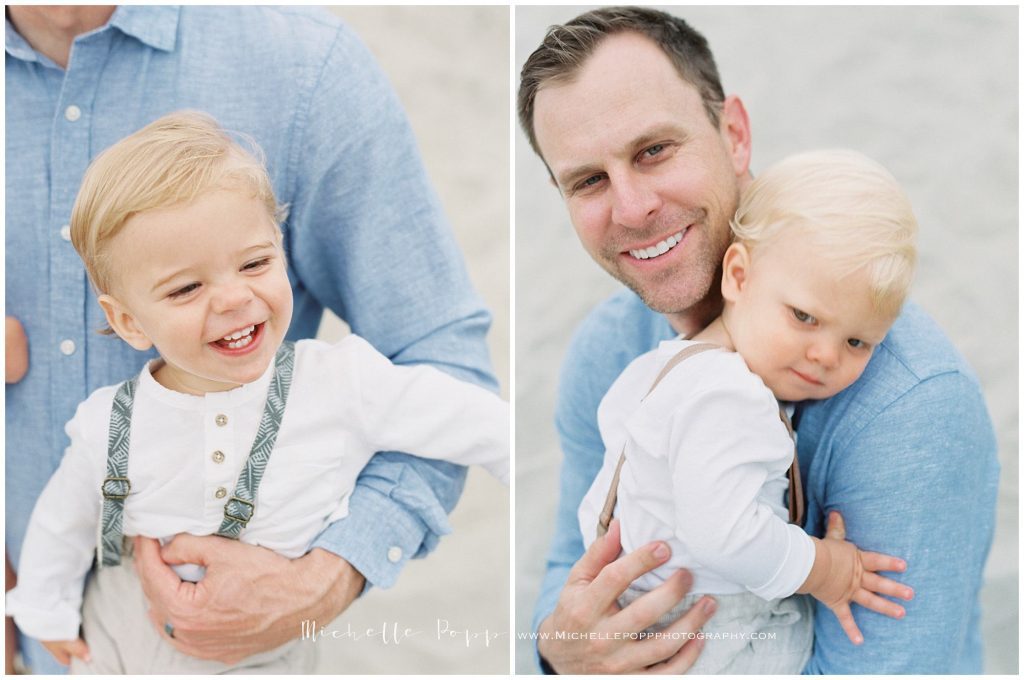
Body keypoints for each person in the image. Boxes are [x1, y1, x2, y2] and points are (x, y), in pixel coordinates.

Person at [6, 6, 497, 674]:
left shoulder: (307, 68)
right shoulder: (107, 427)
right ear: (126, 321)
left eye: (258, 264)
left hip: (267, 648)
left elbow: (450, 382)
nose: (233, 298)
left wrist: (331, 572)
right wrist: (41, 610)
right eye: (185, 290)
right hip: (89, 645)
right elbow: (63, 521)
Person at [518, 7, 999, 674]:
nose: (631, 208)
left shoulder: (912, 408)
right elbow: (565, 570)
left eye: (654, 150)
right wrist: (557, 648)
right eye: (589, 181)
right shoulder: (606, 351)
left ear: (735, 134)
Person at [578, 149, 917, 673]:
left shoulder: (661, 370)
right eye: (804, 316)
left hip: (645, 602)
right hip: (713, 623)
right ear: (738, 276)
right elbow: (725, 535)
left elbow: (604, 495)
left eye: (857, 340)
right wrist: (826, 568)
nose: (826, 355)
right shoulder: (732, 396)